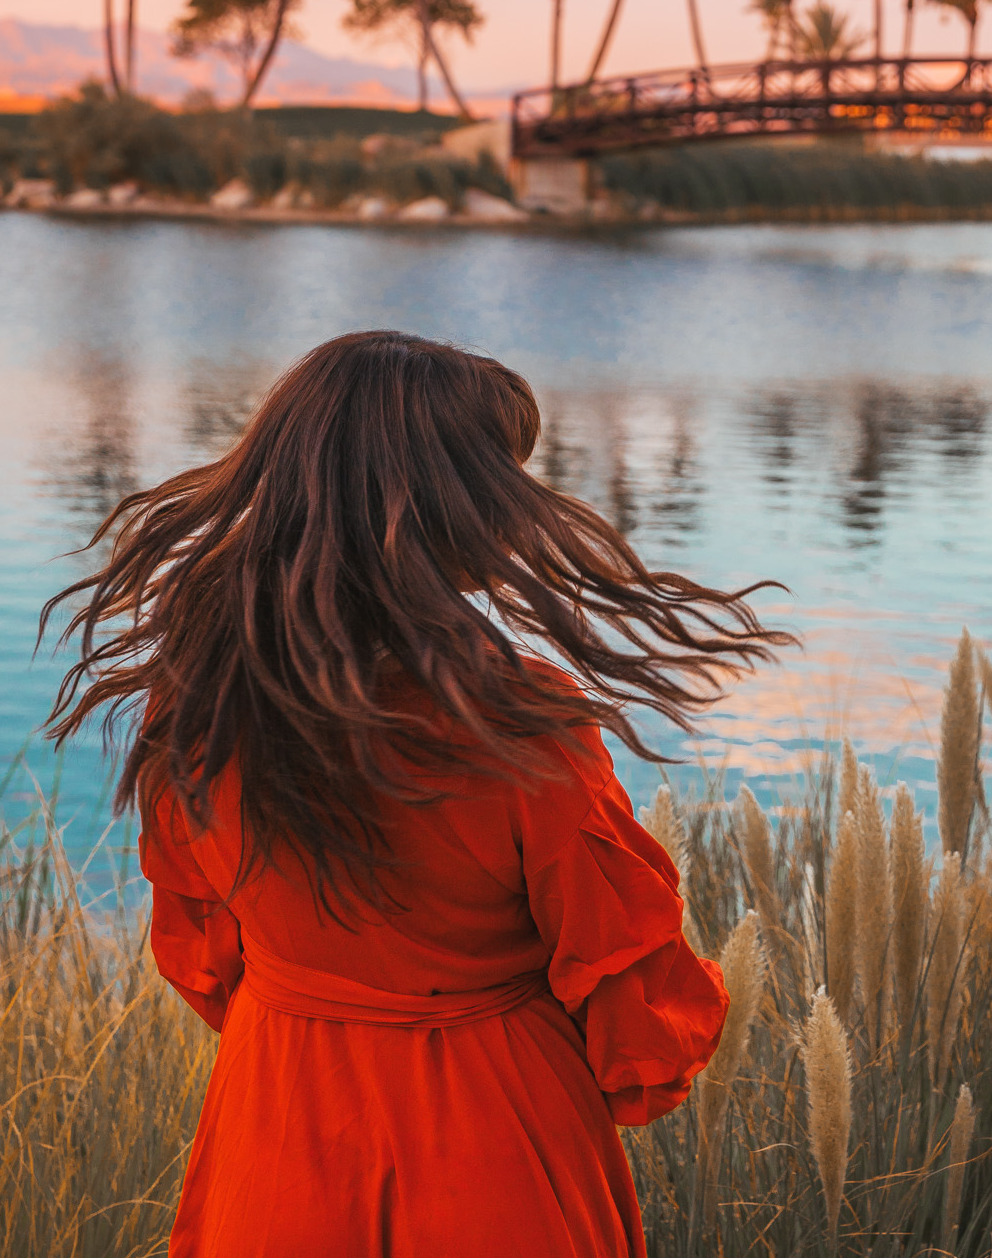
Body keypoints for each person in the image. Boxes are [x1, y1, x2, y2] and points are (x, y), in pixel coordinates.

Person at [44, 330, 783, 1258]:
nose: (515, 506)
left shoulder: (196, 706)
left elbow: (201, 956)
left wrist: (315, 1011)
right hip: (494, 1136)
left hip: (276, 1117)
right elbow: (640, 1025)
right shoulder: (520, 726)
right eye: (499, 477)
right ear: (440, 504)